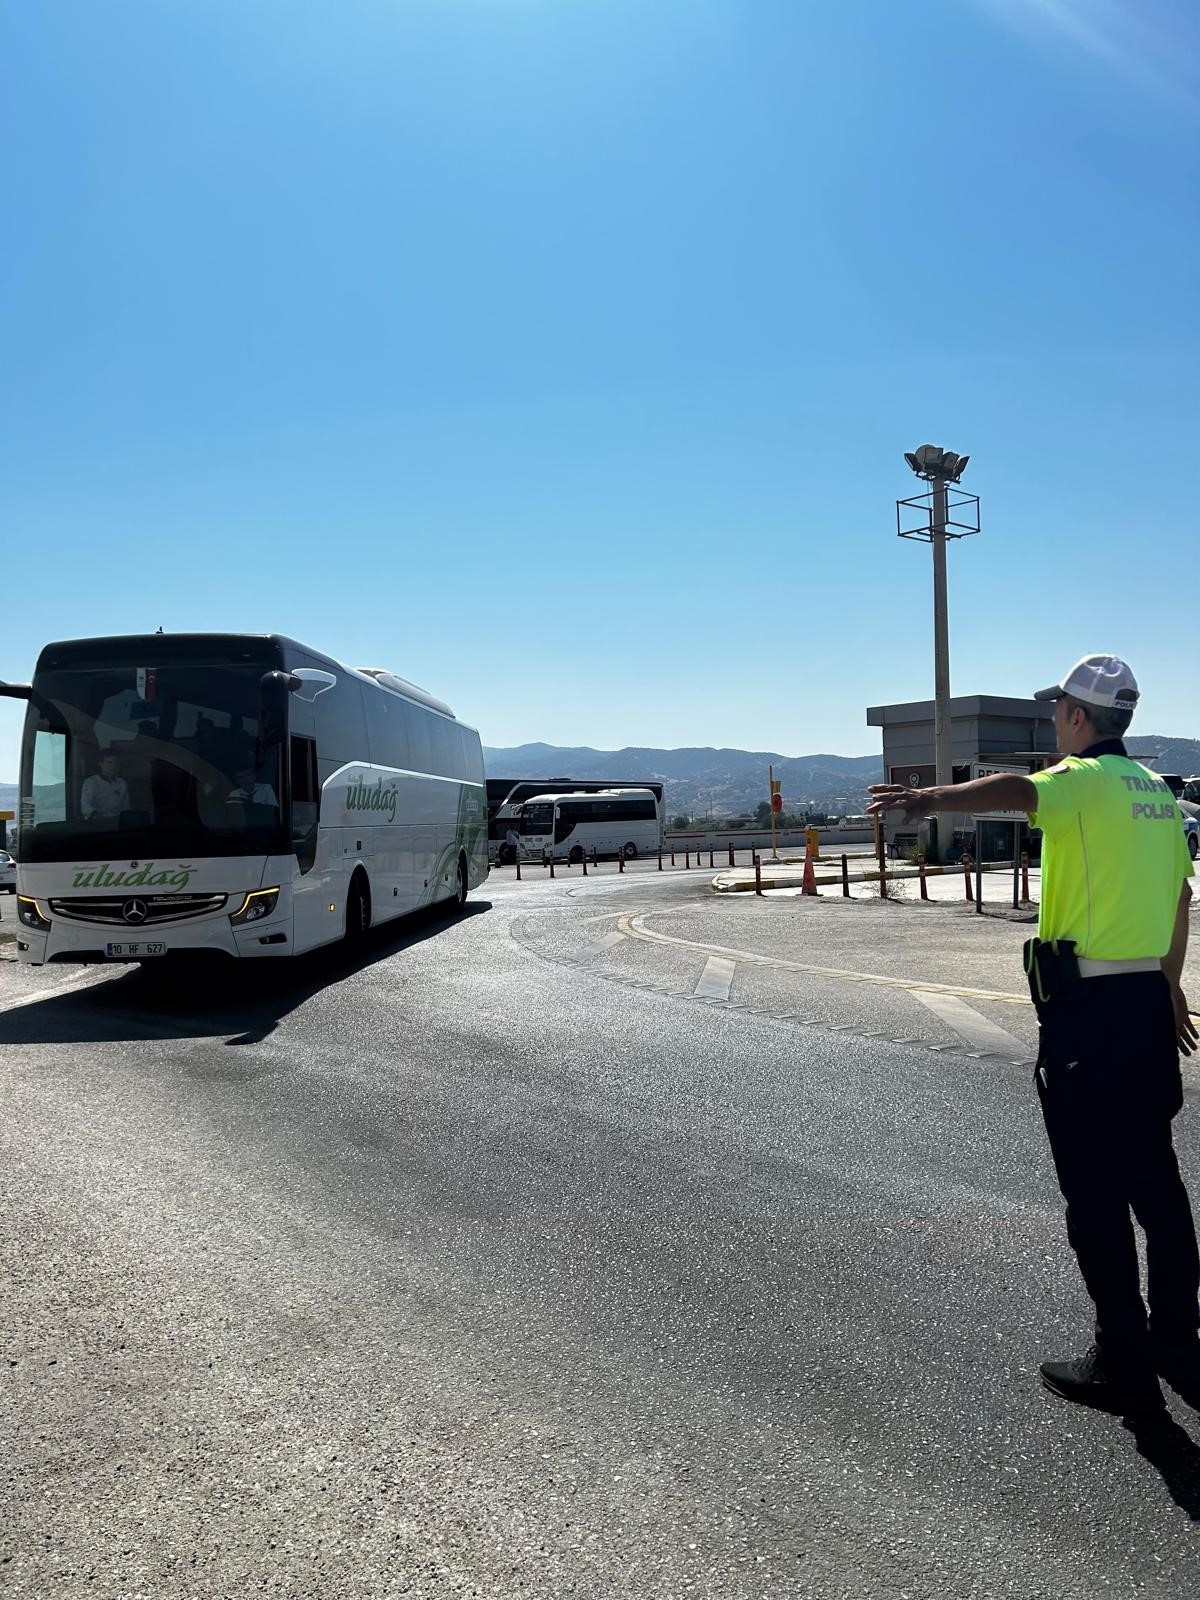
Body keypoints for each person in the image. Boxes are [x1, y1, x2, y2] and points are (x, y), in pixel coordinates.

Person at [868, 654, 1200, 1428]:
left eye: (1059, 711)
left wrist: (928, 795)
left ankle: (1122, 1364)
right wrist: (1171, 982)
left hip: (1089, 1016)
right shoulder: (1155, 792)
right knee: (1156, 1183)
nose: (1055, 721)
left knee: (1093, 1197)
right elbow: (1181, 895)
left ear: (1080, 719)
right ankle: (1177, 1337)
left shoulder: (1075, 782)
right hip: (1149, 1004)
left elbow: (1018, 791)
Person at [80, 750, 130, 825]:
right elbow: (85, 806)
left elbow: (126, 806)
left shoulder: (122, 783)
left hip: (117, 821)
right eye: (109, 763)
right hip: (96, 822)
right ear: (101, 763)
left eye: (116, 763)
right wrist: (95, 815)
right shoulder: (91, 782)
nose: (113, 766)